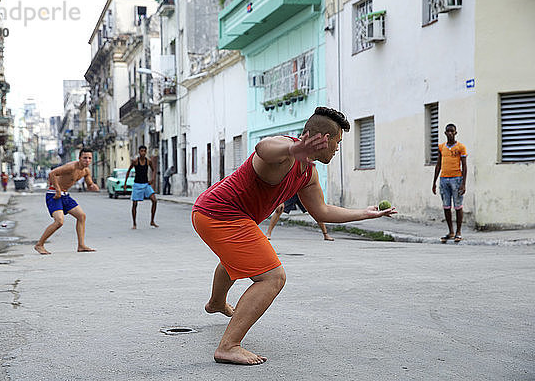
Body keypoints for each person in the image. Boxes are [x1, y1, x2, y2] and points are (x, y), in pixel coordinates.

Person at [191, 107, 396, 365]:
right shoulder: (285, 153)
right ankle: (229, 346)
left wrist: (365, 214)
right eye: (337, 143)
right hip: (220, 214)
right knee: (272, 277)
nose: (337, 149)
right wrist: (291, 150)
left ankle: (216, 303)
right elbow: (263, 147)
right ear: (322, 138)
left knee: (238, 259)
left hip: (219, 214)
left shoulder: (309, 173)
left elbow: (321, 210)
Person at [34, 148, 99, 255]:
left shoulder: (86, 171)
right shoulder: (71, 167)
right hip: (54, 194)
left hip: (65, 195)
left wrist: (93, 186)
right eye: (85, 158)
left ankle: (81, 245)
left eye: (89, 158)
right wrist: (58, 189)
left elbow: (89, 184)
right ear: (79, 158)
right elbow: (52, 174)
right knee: (59, 221)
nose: (87, 160)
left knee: (81, 216)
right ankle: (39, 244)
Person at [432, 123, 467, 243]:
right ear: (445, 133)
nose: (450, 133)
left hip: (456, 179)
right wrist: (434, 182)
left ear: (455, 133)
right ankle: (451, 231)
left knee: (458, 206)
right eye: (448, 131)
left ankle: (458, 232)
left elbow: (464, 166)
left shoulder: (461, 147)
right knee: (446, 206)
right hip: (443, 179)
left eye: (452, 131)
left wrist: (463, 183)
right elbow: (438, 165)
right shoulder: (441, 147)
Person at [266, 194, 334, 241]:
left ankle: (325, 234)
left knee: (315, 211)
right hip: (291, 192)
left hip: (302, 191)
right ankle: (268, 233)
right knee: (279, 209)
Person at [124, 145, 159, 229]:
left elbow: (154, 170)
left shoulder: (148, 161)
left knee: (154, 200)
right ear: (139, 152)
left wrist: (153, 179)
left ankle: (152, 221)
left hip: (146, 184)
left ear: (146, 152)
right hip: (137, 184)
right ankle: (134, 223)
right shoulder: (135, 161)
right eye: (141, 151)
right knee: (135, 204)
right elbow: (128, 171)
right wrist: (125, 183)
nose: (143, 153)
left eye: (144, 151)